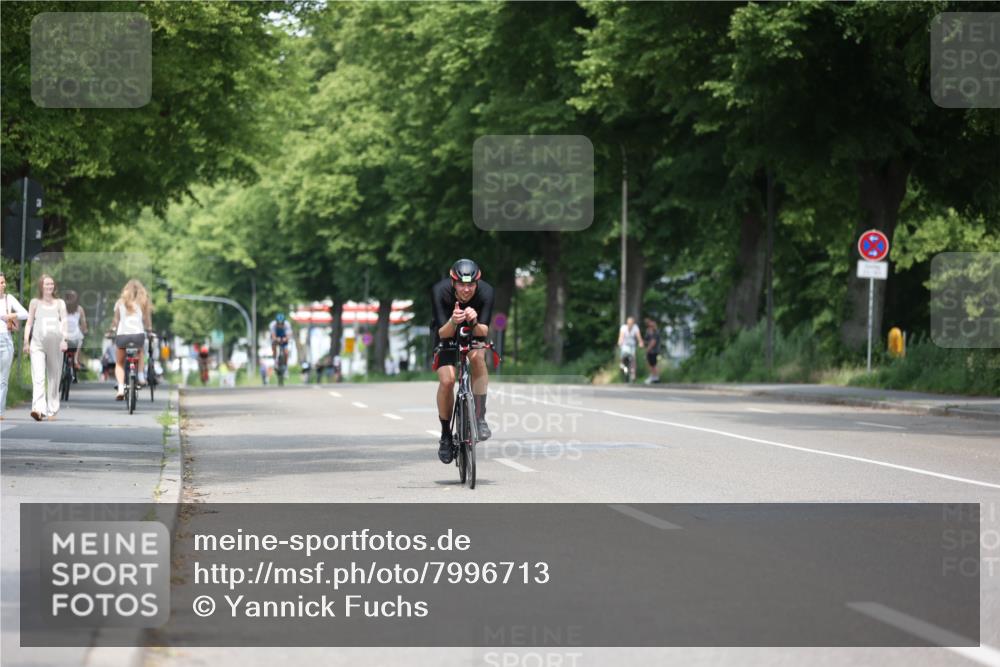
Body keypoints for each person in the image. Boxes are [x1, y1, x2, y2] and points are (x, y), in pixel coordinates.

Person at [430, 259, 494, 464]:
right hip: (446, 333)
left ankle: (480, 416)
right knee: (448, 380)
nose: (466, 290)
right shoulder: (439, 291)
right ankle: (446, 435)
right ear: (453, 283)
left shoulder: (486, 292)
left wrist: (473, 321)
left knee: (477, 357)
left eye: (471, 285)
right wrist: (453, 320)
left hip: (474, 332)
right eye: (461, 285)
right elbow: (442, 332)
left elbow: (484, 331)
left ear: (477, 283)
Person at [22, 274, 69, 420]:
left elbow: (65, 323)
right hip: (37, 344)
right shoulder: (34, 302)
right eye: (46, 284)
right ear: (41, 286)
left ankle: (52, 410)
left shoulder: (60, 303)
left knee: (54, 377)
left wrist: (64, 340)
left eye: (51, 284)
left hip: (55, 344)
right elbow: (29, 323)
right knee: (38, 377)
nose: (49, 286)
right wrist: (26, 342)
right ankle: (38, 409)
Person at [108, 279, 152, 400]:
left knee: (120, 363)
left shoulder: (119, 303)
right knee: (141, 352)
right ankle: (141, 376)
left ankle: (121, 388)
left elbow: (116, 321)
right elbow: (147, 321)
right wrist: (149, 330)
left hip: (122, 336)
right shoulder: (143, 302)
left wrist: (111, 330)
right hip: (138, 336)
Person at [1, 272, 29, 420]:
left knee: (3, 378)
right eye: (1, 283)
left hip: (5, 340)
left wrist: (12, 316)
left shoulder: (8, 299)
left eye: (4, 282)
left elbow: (25, 313)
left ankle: (0, 411)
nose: (4, 285)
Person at [62, 289, 88, 378]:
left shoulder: (61, 308)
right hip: (75, 335)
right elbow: (83, 324)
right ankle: (76, 361)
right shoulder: (80, 309)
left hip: (63, 334)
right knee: (80, 340)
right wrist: (84, 330)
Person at [617, 315, 644, 384]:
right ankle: (622, 364)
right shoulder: (623, 328)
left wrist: (640, 342)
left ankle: (633, 374)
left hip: (632, 345)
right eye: (629, 323)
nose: (630, 325)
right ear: (627, 323)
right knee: (623, 354)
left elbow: (639, 337)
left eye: (631, 323)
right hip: (625, 345)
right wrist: (620, 342)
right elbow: (621, 336)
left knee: (633, 358)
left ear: (633, 323)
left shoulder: (635, 328)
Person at [643, 318, 661, 384]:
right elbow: (646, 340)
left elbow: (653, 342)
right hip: (650, 350)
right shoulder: (648, 331)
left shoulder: (656, 332)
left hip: (654, 350)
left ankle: (656, 377)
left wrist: (647, 350)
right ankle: (653, 376)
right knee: (650, 364)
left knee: (654, 364)